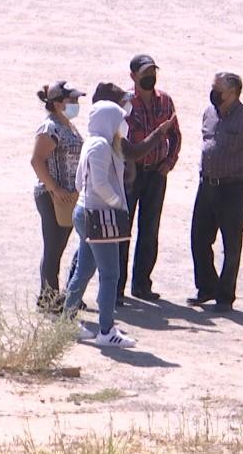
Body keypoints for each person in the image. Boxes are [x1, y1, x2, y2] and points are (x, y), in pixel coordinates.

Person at [63, 83, 177, 298]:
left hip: (95, 206)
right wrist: (115, 202)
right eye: (123, 102)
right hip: (100, 208)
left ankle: (72, 303)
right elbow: (132, 154)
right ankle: (92, 307)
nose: (128, 106)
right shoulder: (102, 141)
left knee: (87, 260)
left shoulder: (108, 133)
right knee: (96, 264)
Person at [189, 72, 243, 313]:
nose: (213, 93)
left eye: (218, 89)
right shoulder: (209, 113)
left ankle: (225, 296)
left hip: (233, 189)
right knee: (199, 238)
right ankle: (206, 287)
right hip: (207, 185)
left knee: (231, 245)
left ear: (232, 93)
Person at [64, 101, 138, 348]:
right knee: (110, 274)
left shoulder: (93, 143)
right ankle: (106, 330)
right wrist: (117, 203)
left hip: (86, 212)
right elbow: (99, 184)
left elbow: (78, 183)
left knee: (83, 270)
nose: (124, 125)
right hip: (99, 216)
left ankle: (67, 321)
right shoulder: (102, 146)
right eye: (120, 119)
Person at [119, 55, 182, 303]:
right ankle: (117, 288)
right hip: (130, 175)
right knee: (123, 231)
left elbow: (175, 134)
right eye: (145, 73)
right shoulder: (124, 103)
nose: (150, 77)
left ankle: (142, 285)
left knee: (150, 230)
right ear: (133, 75)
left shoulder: (164, 100)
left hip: (156, 173)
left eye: (153, 72)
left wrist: (169, 163)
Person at [29, 81, 84, 314]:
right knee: (53, 248)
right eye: (72, 100)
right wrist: (55, 188)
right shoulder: (49, 128)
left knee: (59, 246)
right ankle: (49, 299)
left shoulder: (68, 125)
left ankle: (50, 296)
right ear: (58, 103)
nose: (76, 104)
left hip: (68, 196)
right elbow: (36, 160)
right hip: (52, 196)